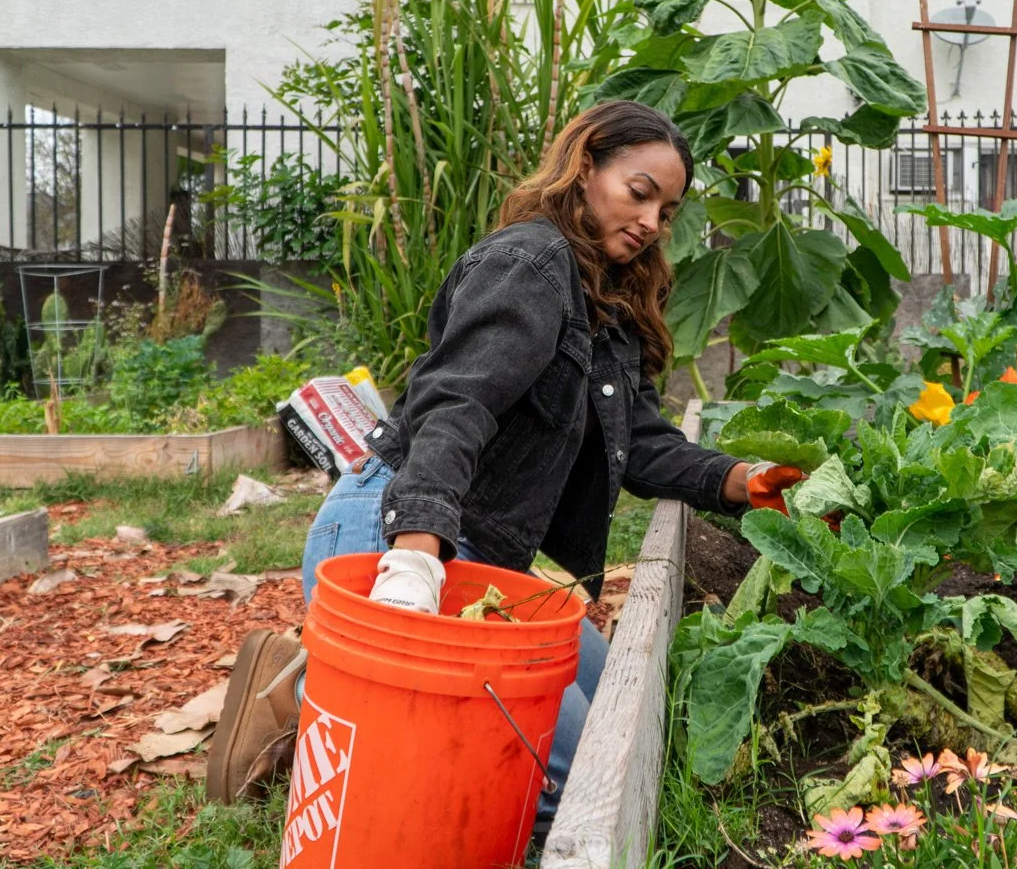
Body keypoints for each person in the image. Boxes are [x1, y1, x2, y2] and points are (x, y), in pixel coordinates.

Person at [205, 100, 803, 842]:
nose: (652, 221)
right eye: (639, 191)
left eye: (667, 209)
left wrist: (744, 478)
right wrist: (416, 556)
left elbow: (640, 441)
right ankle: (323, 698)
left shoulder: (605, 295)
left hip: (484, 562)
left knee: (608, 698)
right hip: (397, 530)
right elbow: (458, 403)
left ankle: (328, 690)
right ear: (585, 168)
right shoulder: (529, 263)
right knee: (569, 774)